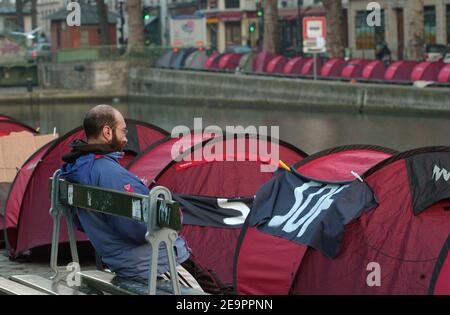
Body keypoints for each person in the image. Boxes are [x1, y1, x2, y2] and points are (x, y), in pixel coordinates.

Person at [60, 105, 201, 290]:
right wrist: (174, 216)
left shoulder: (79, 169)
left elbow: (80, 223)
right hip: (154, 265)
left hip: (123, 261)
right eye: (123, 131)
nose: (126, 138)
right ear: (107, 132)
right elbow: (139, 229)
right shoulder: (110, 173)